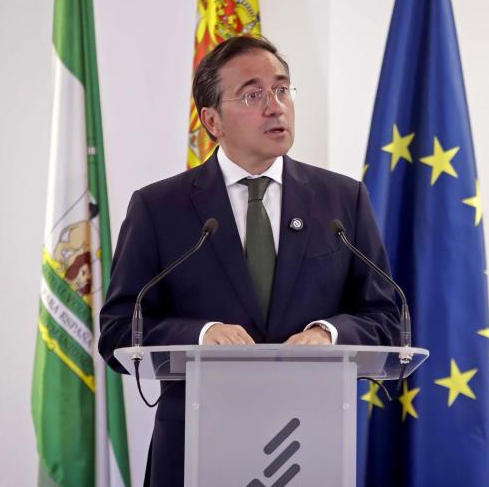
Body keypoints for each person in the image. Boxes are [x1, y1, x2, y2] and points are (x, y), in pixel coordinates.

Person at [99, 36, 399, 486]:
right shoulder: (159, 207)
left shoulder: (342, 199)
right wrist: (201, 335)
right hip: (193, 450)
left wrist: (329, 333)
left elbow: (387, 319)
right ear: (212, 120)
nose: (275, 107)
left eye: (282, 89)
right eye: (253, 95)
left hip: (311, 445)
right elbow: (119, 329)